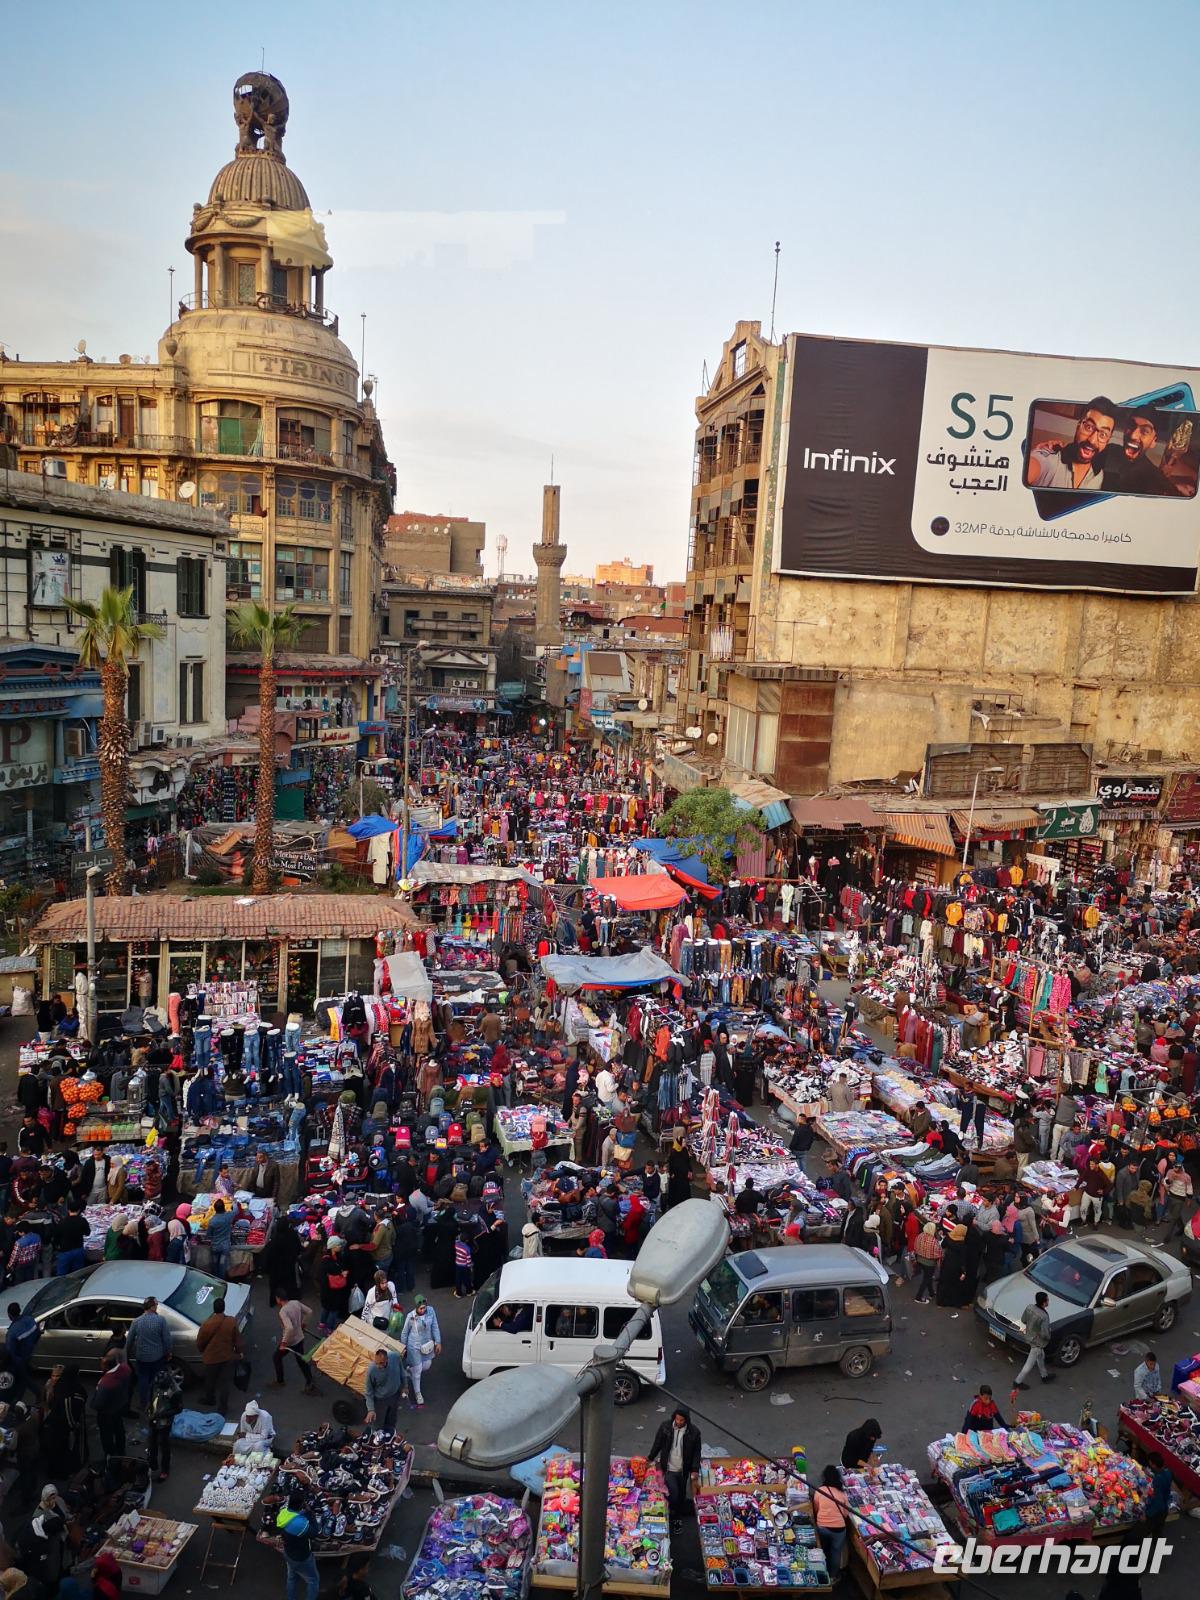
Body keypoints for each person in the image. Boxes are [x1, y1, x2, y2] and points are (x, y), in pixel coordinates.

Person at [1026, 397, 1115, 491]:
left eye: (1103, 434)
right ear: (1078, 425)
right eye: (1089, 427)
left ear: (1108, 440)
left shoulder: (1099, 476)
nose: (1092, 441)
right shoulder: (1050, 458)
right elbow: (1031, 466)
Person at [648, 1406, 702, 1526]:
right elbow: (657, 1444)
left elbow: (696, 1452)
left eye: (681, 1420)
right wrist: (650, 1458)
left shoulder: (694, 1433)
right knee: (674, 1494)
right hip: (668, 1469)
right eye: (677, 1419)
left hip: (683, 1470)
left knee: (681, 1494)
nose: (678, 1422)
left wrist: (694, 1469)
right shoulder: (665, 1427)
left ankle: (677, 1515)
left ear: (686, 1420)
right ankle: (673, 1516)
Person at [196, 1296, 243, 1413]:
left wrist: (203, 1351)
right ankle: (223, 1408)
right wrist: (239, 1352)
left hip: (211, 1358)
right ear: (224, 1308)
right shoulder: (231, 1321)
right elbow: (237, 1339)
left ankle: (210, 1399)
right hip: (227, 1356)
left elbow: (200, 1342)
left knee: (210, 1380)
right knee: (225, 1383)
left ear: (213, 1309)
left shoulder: (206, 1324)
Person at [127, 1296, 173, 1409]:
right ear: (152, 1307)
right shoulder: (161, 1320)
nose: (157, 1306)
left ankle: (143, 1403)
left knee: (143, 1379)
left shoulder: (136, 1322)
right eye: (156, 1305)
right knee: (156, 1380)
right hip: (157, 1357)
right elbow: (167, 1339)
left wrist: (126, 1354)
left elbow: (129, 1340)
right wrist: (168, 1352)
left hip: (142, 1357)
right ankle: (156, 1402)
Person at [42, 1364, 87, 1477]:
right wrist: (72, 1425)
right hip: (63, 1424)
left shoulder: (60, 1386)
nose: (54, 1378)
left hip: (57, 1423)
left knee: (57, 1448)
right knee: (63, 1448)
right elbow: (67, 1410)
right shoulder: (71, 1389)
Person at [399, 1294, 441, 1408]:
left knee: (427, 1365)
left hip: (427, 1345)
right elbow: (404, 1333)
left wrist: (438, 1342)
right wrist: (403, 1348)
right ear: (416, 1308)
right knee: (418, 1370)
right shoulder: (410, 1317)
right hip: (414, 1346)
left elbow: (435, 1327)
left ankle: (409, 1370)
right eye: (421, 1308)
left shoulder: (431, 1311)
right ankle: (418, 1394)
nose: (423, 1310)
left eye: (424, 1307)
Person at [277, 1487, 319, 1600]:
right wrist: (310, 1514)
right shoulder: (299, 1524)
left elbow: (294, 1517)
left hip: (288, 1552)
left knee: (292, 1577)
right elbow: (315, 1531)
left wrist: (303, 1512)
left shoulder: (283, 1513)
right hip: (301, 1557)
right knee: (313, 1580)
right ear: (301, 1504)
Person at [272, 1292, 318, 1394]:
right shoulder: (295, 1303)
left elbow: (289, 1328)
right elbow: (309, 1311)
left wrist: (284, 1343)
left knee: (276, 1357)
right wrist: (303, 1324)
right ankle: (309, 1381)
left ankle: (280, 1381)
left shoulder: (283, 1312)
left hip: (290, 1341)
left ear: (279, 1299)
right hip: (299, 1337)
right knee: (301, 1360)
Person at [91, 1348, 133, 1458]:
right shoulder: (125, 1369)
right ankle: (121, 1451)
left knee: (106, 1435)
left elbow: (98, 1403)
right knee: (119, 1430)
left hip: (106, 1412)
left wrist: (93, 1404)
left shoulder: (106, 1382)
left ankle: (110, 1456)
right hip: (119, 1406)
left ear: (106, 1365)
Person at [812, 1464, 850, 1579]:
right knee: (836, 1552)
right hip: (839, 1529)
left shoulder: (820, 1491)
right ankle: (833, 1576)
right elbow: (846, 1513)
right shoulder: (842, 1494)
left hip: (822, 1527)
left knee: (822, 1549)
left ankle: (821, 1575)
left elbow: (816, 1509)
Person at [146, 1364, 183, 1481]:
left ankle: (164, 1470)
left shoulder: (176, 1391)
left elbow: (179, 1409)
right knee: (151, 1443)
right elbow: (151, 1397)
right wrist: (148, 1408)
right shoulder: (155, 1384)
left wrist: (162, 1414)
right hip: (152, 1419)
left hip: (165, 1422)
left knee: (164, 1445)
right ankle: (152, 1465)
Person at [1012, 1291, 1056, 1389]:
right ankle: (1017, 1382)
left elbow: (1023, 1320)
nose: (1048, 1301)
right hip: (1037, 1342)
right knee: (1029, 1364)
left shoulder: (1030, 1307)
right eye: (1047, 1300)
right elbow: (1045, 1334)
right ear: (1044, 1303)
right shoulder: (1044, 1316)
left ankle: (1044, 1376)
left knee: (1041, 1357)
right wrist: (1049, 1336)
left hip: (1029, 1336)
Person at [364, 1347, 407, 1432]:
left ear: (387, 1359)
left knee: (392, 1420)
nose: (378, 1366)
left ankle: (389, 1437)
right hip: (380, 1400)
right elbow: (369, 1392)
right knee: (378, 1424)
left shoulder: (395, 1357)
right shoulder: (371, 1371)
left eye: (381, 1363)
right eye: (376, 1363)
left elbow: (402, 1372)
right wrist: (371, 1410)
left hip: (395, 1396)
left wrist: (405, 1386)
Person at [4, 1303, 41, 1399]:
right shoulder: (30, 1320)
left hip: (19, 1360)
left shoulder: (12, 1333)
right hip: (29, 1353)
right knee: (23, 1378)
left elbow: (10, 1352)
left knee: (23, 1378)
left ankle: (38, 1394)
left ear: (9, 1315)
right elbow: (37, 1333)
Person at [1144, 1451, 1174, 1538]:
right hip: (1164, 1508)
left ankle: (1149, 1544)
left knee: (1150, 1528)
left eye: (1150, 1463)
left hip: (1157, 1511)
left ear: (1153, 1465)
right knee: (1158, 1529)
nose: (1149, 1465)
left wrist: (1148, 1514)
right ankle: (1157, 1542)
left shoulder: (1158, 1480)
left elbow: (1158, 1502)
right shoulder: (1167, 1472)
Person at [912, 1221, 941, 1303]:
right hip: (929, 1263)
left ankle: (931, 1293)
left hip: (920, 1260)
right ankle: (918, 1297)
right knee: (926, 1279)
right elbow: (938, 1254)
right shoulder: (933, 1241)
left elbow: (915, 1246)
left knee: (928, 1277)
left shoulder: (920, 1236)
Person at [207, 1199, 234, 1281]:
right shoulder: (229, 1216)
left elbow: (209, 1235)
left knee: (215, 1264)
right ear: (224, 1207)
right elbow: (236, 1209)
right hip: (225, 1246)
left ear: (214, 1209)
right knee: (222, 1264)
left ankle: (215, 1280)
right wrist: (234, 1202)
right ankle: (222, 1281)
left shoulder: (212, 1221)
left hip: (215, 1246)